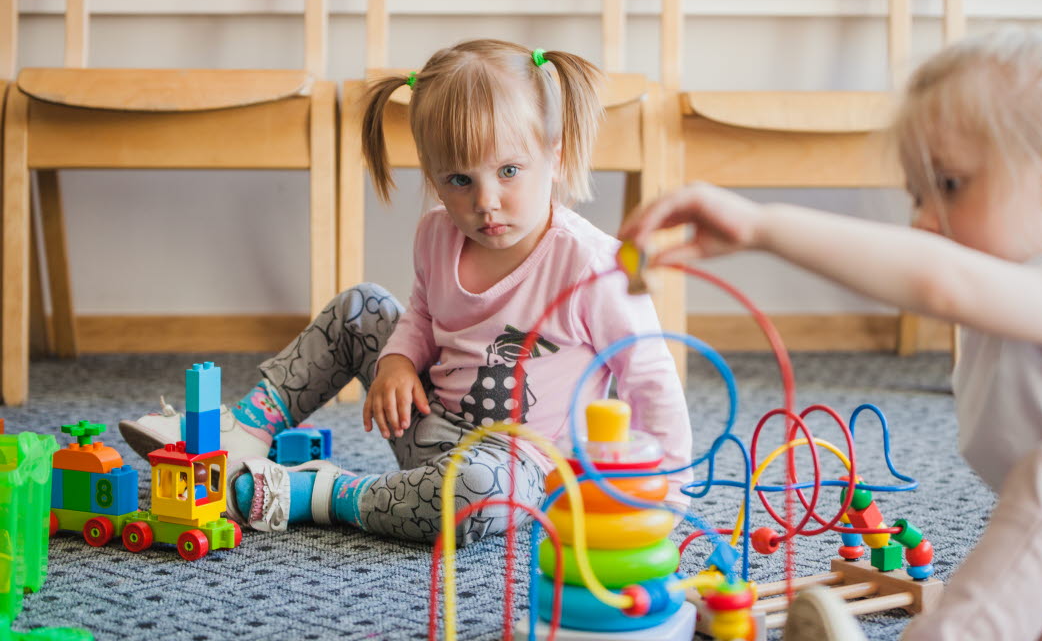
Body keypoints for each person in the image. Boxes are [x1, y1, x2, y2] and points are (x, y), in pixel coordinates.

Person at [619, 27, 1042, 640]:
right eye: (917, 195)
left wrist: (765, 229)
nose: (927, 219)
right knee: (1004, 605)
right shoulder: (1000, 332)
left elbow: (944, 282)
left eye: (951, 184)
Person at [119, 39, 691, 545]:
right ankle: (245, 430)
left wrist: (669, 490)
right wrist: (396, 359)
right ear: (432, 172)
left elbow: (650, 376)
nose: (485, 202)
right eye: (459, 180)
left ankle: (322, 493)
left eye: (510, 171)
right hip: (420, 421)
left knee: (473, 490)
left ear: (556, 154)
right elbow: (421, 314)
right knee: (360, 305)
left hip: (518, 468)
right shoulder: (437, 234)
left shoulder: (592, 266)